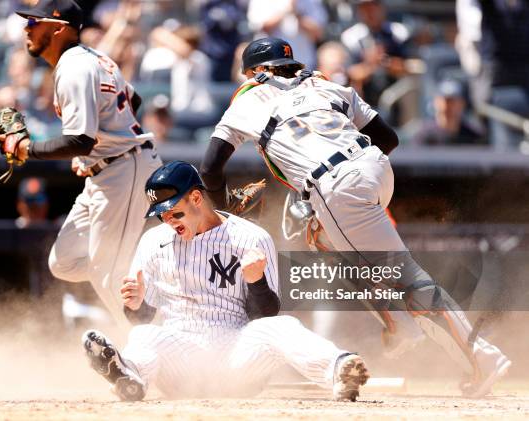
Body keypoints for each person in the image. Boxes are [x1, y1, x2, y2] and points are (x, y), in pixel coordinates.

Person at [199, 37, 511, 398]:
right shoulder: (328, 84)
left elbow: (209, 168)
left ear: (255, 71)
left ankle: (481, 357)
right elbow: (387, 137)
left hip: (335, 185)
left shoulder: (249, 96)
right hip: (375, 169)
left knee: (407, 277)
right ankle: (398, 321)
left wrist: (224, 209)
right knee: (318, 234)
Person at [82, 161, 370, 401]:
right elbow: (142, 318)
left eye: (174, 212)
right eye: (161, 215)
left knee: (280, 326)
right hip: (181, 358)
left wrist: (256, 281)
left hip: (236, 356)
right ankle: (129, 379)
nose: (168, 220)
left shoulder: (250, 238)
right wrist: (135, 304)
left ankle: (338, 370)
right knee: (143, 335)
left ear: (196, 198)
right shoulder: (153, 242)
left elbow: (265, 315)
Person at [0, 0, 162, 324]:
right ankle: (148, 278)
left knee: (106, 274)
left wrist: (29, 149)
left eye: (34, 23)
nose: (26, 29)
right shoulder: (95, 57)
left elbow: (79, 140)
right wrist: (97, 148)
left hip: (123, 170)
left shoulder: (74, 67)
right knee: (64, 262)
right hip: (109, 168)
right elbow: (133, 99)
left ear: (58, 28)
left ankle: (153, 348)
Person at [412, 79, 485, 146]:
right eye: (444, 100)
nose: (447, 106)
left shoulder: (474, 137)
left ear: (462, 104)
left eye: (452, 101)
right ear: (435, 102)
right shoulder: (423, 136)